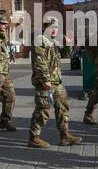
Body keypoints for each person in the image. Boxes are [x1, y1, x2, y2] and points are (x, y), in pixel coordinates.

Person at [28, 17, 82, 148]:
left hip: (56, 81)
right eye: (51, 27)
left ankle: (64, 136)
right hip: (45, 82)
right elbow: (40, 63)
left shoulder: (53, 41)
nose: (54, 30)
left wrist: (68, 43)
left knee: (63, 108)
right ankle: (33, 138)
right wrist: (45, 79)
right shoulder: (40, 40)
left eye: (56, 28)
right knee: (43, 110)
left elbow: (65, 55)